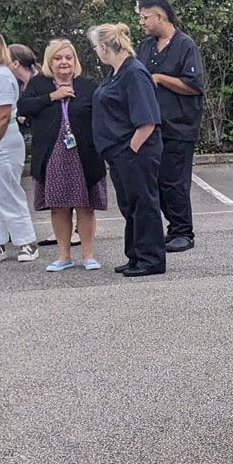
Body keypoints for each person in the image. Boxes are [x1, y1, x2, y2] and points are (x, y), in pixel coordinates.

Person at [17, 40, 107, 271]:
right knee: (58, 207)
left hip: (84, 155)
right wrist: (52, 97)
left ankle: (88, 255)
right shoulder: (38, 85)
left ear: (75, 60)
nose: (64, 62)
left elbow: (102, 115)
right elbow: (23, 107)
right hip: (52, 155)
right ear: (49, 61)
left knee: (86, 206)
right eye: (58, 58)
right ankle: (63, 256)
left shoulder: (88, 85)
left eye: (68, 57)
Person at [90, 23, 165, 277]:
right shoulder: (116, 72)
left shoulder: (134, 73)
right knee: (130, 205)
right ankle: (135, 255)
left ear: (103, 47)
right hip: (119, 152)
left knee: (143, 204)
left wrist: (130, 151)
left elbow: (147, 120)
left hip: (135, 151)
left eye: (95, 48)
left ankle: (151, 259)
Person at [135, 0, 204, 253]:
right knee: (155, 180)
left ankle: (183, 231)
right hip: (151, 125)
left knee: (174, 180)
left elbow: (194, 85)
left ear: (160, 17)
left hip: (179, 125)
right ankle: (171, 228)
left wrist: (161, 78)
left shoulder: (185, 46)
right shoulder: (144, 48)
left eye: (145, 17)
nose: (142, 22)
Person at [0, 24, 39, 263]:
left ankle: (26, 240)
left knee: (8, 190)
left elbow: (4, 115)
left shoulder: (1, 75)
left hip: (2, 138)